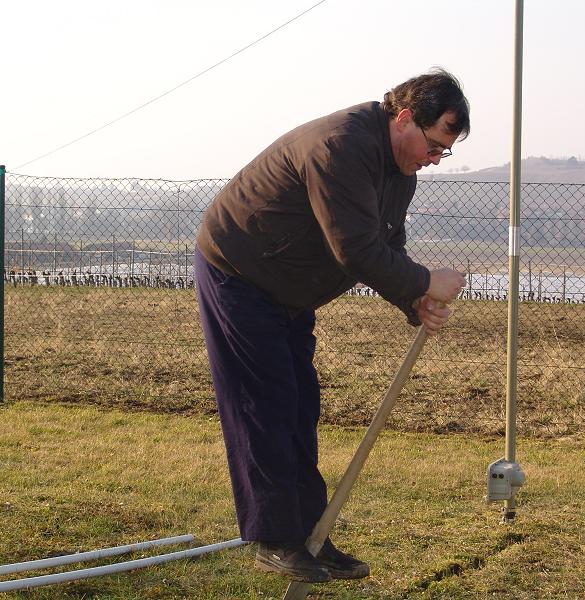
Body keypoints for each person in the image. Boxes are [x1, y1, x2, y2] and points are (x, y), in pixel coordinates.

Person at [195, 68, 469, 583]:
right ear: (405, 118)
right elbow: (355, 250)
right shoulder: (340, 146)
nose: (434, 161)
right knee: (266, 401)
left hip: (287, 291)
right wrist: (428, 280)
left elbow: (387, 246)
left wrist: (415, 301)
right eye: (435, 146)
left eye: (444, 153)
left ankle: (310, 535)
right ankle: (275, 538)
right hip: (239, 272)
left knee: (301, 403)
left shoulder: (398, 172)